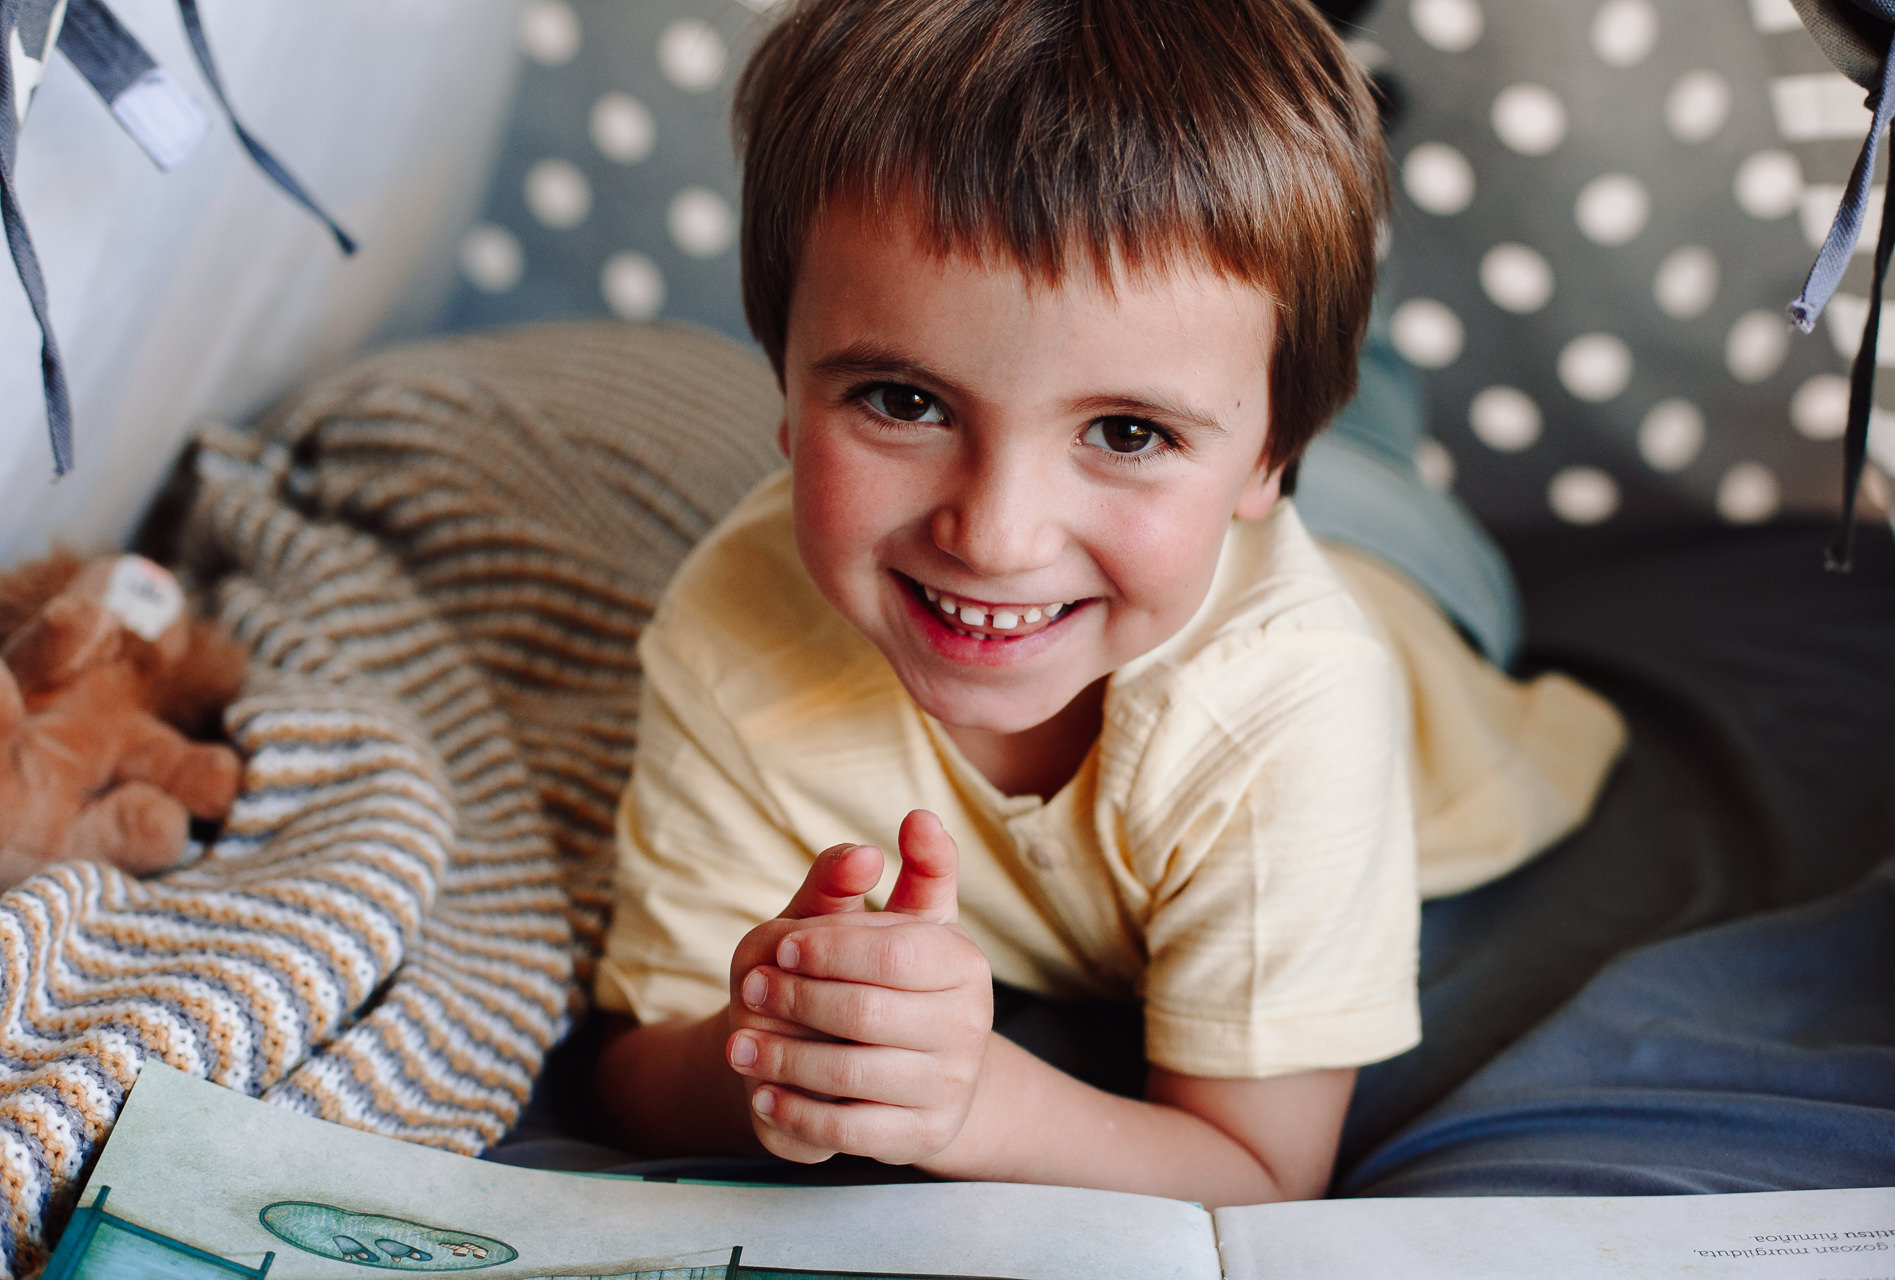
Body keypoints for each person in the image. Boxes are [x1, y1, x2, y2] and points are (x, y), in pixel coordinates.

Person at [592, 0, 1624, 1207]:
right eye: (902, 400)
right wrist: (776, 1048)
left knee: (1356, 386)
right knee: (1250, 347)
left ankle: (1337, 98)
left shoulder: (1297, 694)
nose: (994, 533)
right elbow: (636, 1067)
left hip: (1398, 567)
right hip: (1200, 500)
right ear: (782, 380)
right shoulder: (733, 628)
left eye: (1125, 428)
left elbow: (1256, 1168)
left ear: (1264, 465)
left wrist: (976, 1099)